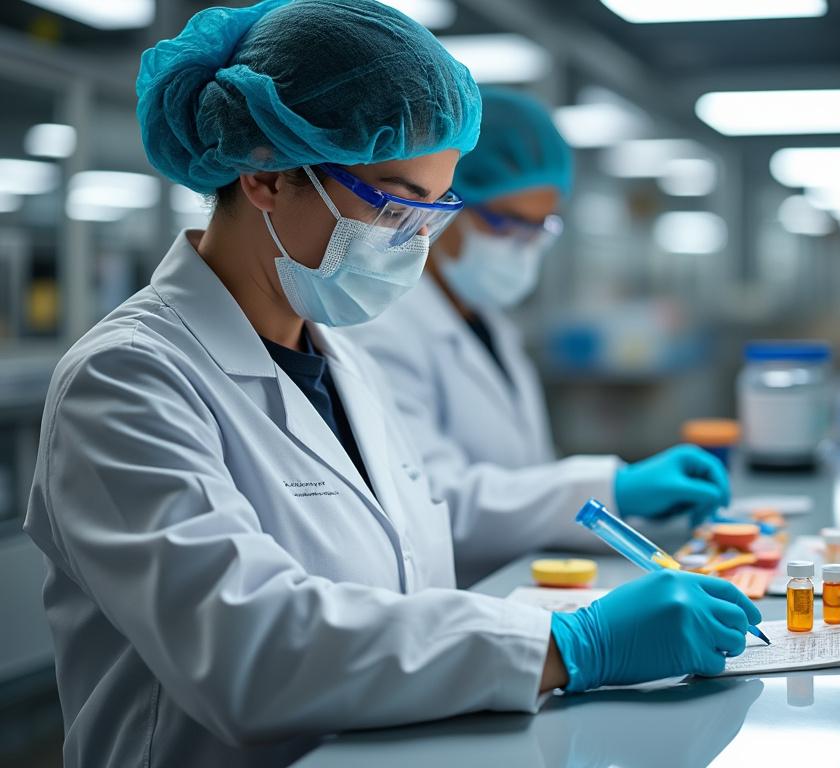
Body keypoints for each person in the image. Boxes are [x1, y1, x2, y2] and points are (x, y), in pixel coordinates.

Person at [23, 3, 759, 766]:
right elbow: (251, 652)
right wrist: (567, 646)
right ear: (267, 172)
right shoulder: (126, 381)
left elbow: (403, 587)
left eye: (434, 208)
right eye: (393, 201)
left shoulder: (343, 357)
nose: (415, 242)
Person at [346, 87, 732, 585]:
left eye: (539, 228)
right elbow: (435, 499)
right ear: (443, 204)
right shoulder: (383, 325)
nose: (523, 247)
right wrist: (614, 486)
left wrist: (616, 503)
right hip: (458, 595)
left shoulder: (488, 321)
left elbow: (523, 478)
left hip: (520, 576)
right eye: (507, 224)